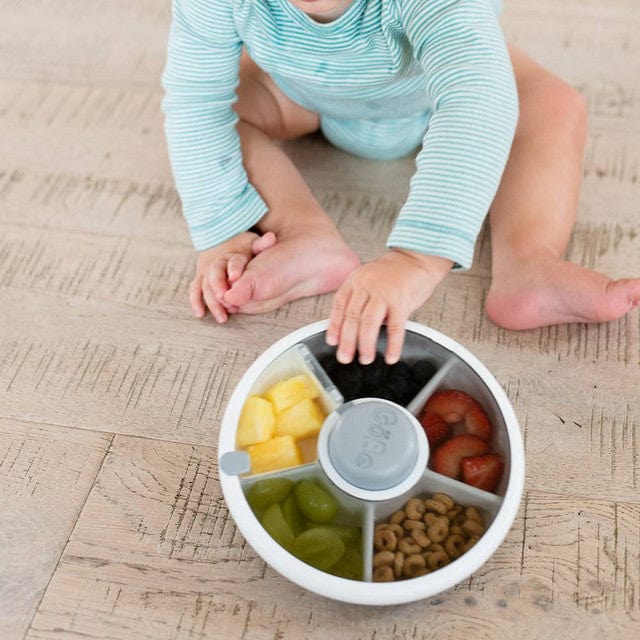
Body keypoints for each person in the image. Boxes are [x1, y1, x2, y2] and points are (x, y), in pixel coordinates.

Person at [162, 0, 640, 366]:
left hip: (427, 92)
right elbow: (195, 102)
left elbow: (478, 97)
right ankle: (304, 234)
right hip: (305, 94)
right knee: (227, 111)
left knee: (553, 105)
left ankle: (531, 262)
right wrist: (223, 231)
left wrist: (417, 258)